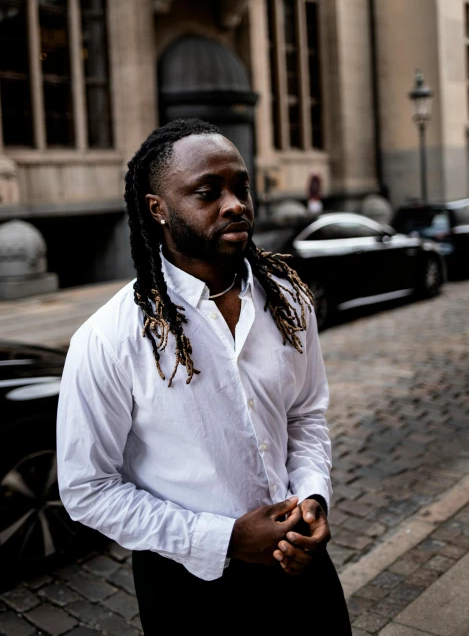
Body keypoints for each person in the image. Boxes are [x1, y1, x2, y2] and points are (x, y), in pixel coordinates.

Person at [57, 118, 351, 633]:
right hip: (188, 590)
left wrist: (312, 496)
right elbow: (88, 488)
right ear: (158, 209)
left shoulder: (287, 299)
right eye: (208, 192)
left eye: (241, 187)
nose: (235, 203)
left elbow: (305, 414)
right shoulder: (109, 338)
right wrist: (224, 540)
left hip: (300, 568)